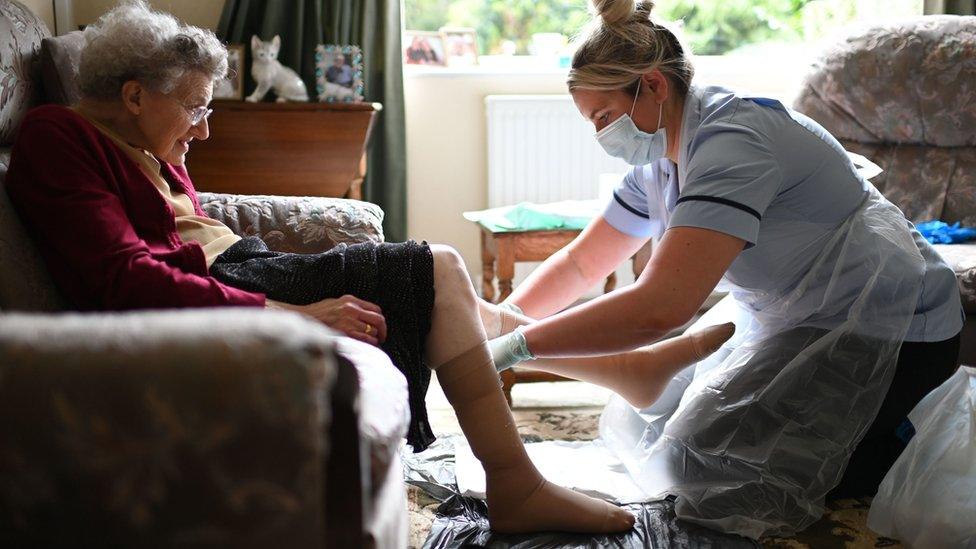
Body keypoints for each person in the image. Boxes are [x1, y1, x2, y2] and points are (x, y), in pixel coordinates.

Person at [4, 0, 739, 536]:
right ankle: (519, 479)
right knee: (442, 267)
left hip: (243, 271)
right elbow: (125, 276)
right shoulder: (54, 137)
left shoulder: (143, 147)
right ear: (133, 97)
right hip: (233, 289)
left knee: (458, 303)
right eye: (195, 108)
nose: (204, 127)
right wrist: (293, 315)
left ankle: (628, 370)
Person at [486, 0, 965, 537]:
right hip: (804, 319)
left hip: (896, 330)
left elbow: (662, 307)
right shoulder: (661, 161)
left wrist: (520, 347)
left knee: (705, 467)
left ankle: (895, 437)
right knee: (657, 431)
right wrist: (507, 317)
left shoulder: (734, 142)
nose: (601, 135)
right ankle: (656, 376)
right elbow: (581, 263)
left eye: (603, 117)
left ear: (653, 86)